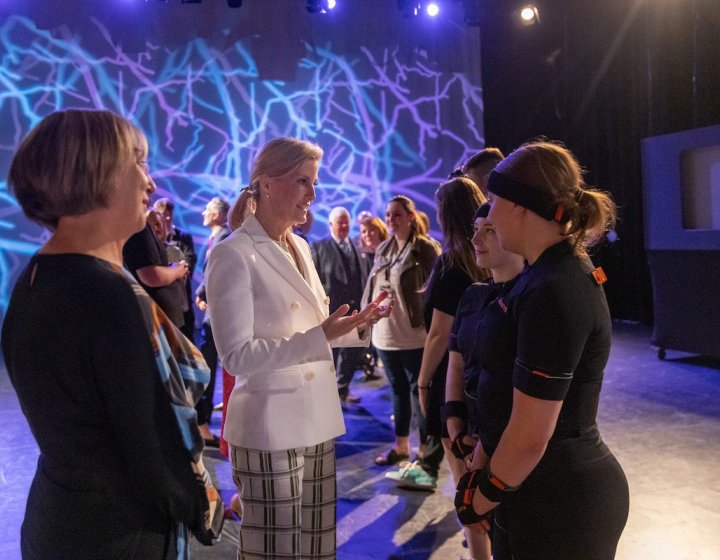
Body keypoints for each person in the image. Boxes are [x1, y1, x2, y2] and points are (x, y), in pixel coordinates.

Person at [1, 109, 221, 559]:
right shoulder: (108, 295)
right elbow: (157, 454)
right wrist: (208, 507)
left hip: (63, 520)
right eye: (138, 163)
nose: (151, 183)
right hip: (119, 533)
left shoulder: (37, 279)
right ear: (94, 173)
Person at [206, 137, 392, 559]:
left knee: (317, 551)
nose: (313, 194)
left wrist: (359, 326)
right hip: (270, 427)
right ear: (266, 184)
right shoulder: (233, 254)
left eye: (314, 182)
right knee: (275, 554)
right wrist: (320, 336)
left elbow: (313, 330)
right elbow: (237, 356)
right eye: (302, 181)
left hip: (316, 419)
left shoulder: (301, 247)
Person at [455, 141, 629, 559]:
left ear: (518, 207)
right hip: (535, 491)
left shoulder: (553, 288)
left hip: (561, 503)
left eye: (493, 201)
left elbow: (532, 436)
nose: (488, 215)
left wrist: (479, 500)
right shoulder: (545, 275)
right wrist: (485, 461)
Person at [386, 178, 487, 496]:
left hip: (450, 373)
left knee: (460, 463)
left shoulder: (450, 262)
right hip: (484, 367)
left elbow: (439, 334)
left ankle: (476, 535)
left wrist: (424, 381)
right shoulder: (489, 256)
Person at [444, 202, 526, 560]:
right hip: (475, 439)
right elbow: (456, 364)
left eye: (488, 229)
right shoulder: (473, 294)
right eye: (475, 228)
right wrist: (456, 429)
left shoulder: (533, 298)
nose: (475, 237)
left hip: (513, 450)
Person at [363, 195, 440, 466]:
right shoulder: (383, 248)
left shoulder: (425, 248)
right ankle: (402, 447)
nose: (391, 220)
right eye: (388, 215)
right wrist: (365, 318)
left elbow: (436, 291)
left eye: (397, 214)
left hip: (414, 335)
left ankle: (426, 454)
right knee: (397, 390)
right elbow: (371, 287)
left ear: (410, 216)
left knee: (419, 393)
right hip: (385, 335)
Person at [312, 206, 373, 403]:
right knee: (332, 352)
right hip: (331, 312)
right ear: (331, 225)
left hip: (355, 309)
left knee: (352, 352)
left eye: (347, 221)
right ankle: (328, 392)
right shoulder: (319, 248)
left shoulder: (357, 247)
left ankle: (342, 388)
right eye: (340, 222)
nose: (345, 225)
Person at [194, 196, 231, 447]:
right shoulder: (215, 238)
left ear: (218, 214)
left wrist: (201, 293)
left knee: (208, 368)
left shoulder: (224, 237)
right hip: (213, 312)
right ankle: (203, 422)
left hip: (220, 316)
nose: (203, 213)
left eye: (207, 210)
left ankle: (203, 424)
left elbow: (217, 272)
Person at [154, 197, 198, 341]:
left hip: (181, 298)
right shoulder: (149, 240)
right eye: (163, 215)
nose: (166, 218)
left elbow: (189, 259)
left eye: (169, 215)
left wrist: (179, 271)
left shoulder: (182, 237)